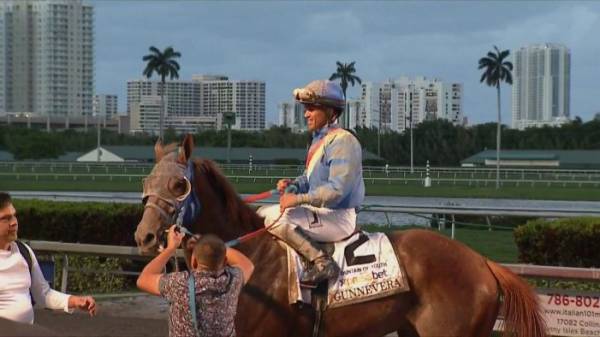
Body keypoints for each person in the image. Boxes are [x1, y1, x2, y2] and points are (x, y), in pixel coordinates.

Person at [258, 79, 365, 284]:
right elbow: (309, 178)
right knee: (262, 212)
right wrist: (292, 185)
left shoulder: (343, 141)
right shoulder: (320, 139)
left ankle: (323, 263)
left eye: (312, 109)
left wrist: (297, 199)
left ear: (331, 112)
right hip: (322, 212)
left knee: (275, 219)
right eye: (306, 108)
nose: (306, 114)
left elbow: (337, 190)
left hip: (338, 217)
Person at [137, 227, 254, 337]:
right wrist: (215, 246)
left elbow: (143, 279)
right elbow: (247, 265)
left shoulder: (179, 283)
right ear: (225, 262)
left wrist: (171, 248)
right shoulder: (233, 280)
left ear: (194, 262)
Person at [0, 192, 97, 324]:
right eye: (6, 218)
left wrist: (75, 301)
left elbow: (43, 294)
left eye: (14, 216)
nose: (14, 223)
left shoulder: (24, 252)